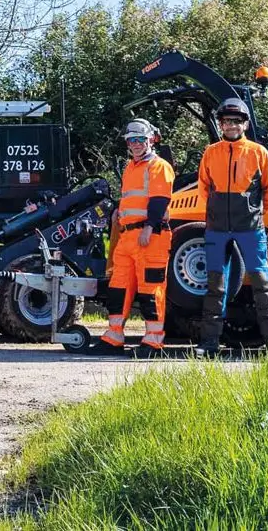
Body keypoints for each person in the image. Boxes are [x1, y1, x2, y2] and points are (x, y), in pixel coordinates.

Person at [196, 97, 268, 359]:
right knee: (215, 284)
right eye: (226, 121)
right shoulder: (211, 152)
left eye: (236, 121)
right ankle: (210, 343)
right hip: (217, 228)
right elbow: (203, 187)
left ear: (244, 124)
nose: (231, 125)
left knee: (261, 281)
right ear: (220, 124)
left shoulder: (258, 152)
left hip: (250, 228)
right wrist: (215, 209)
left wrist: (254, 211)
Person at [94, 118, 175, 357]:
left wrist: (150, 227)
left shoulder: (159, 166)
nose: (136, 144)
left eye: (140, 139)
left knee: (151, 288)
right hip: (128, 236)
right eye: (132, 140)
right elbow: (133, 199)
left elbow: (160, 200)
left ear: (151, 140)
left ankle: (153, 342)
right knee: (118, 286)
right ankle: (114, 337)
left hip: (150, 236)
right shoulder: (131, 167)